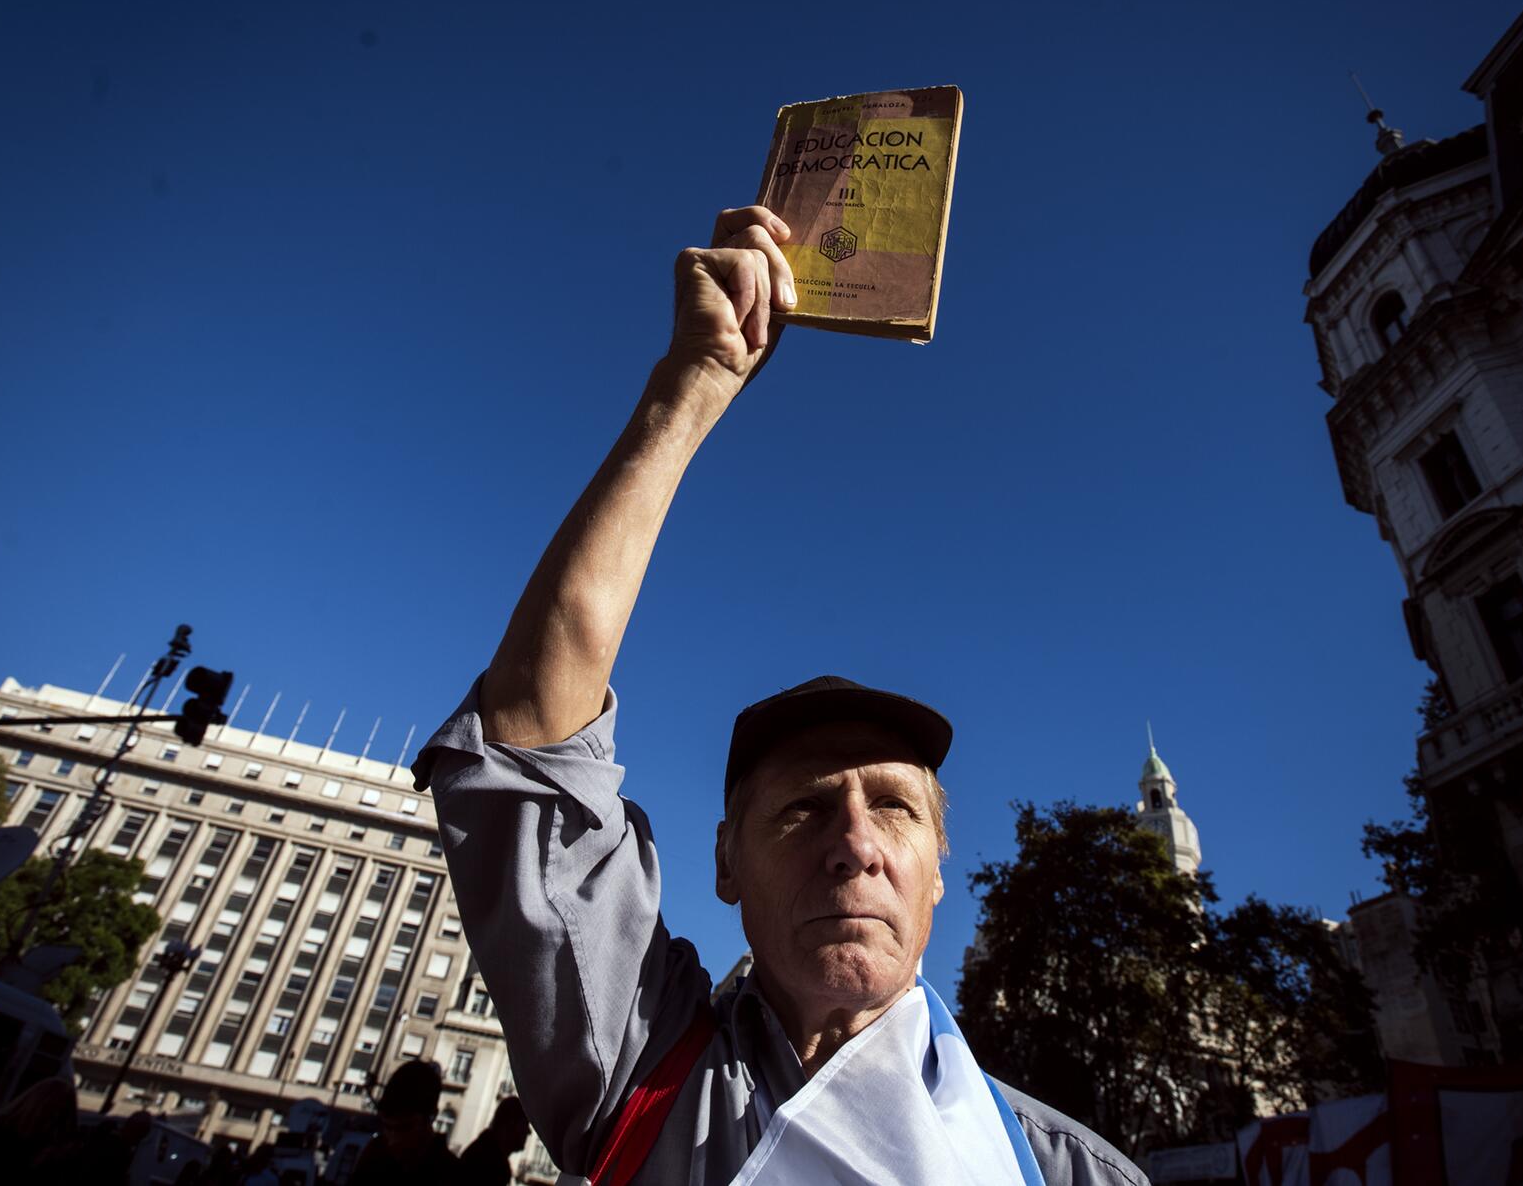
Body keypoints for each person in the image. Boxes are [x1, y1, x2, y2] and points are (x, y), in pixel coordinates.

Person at [412, 207, 1147, 1185]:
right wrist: (691, 387)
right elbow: (532, 734)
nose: (854, 843)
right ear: (724, 857)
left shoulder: (1071, 1174)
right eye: (802, 806)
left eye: (894, 806)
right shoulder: (638, 1067)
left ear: (937, 868)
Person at [347, 1059, 460, 1186]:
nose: (394, 1140)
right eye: (388, 1128)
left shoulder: (452, 1176)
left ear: (431, 1117)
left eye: (405, 1128)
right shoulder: (377, 1152)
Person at [454, 1095, 532, 1186]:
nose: (528, 1132)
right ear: (511, 1123)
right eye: (525, 1124)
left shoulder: (485, 1154)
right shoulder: (486, 1163)